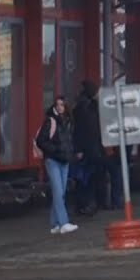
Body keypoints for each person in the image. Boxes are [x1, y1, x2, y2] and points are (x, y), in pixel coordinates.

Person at [35, 95, 79, 235]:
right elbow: (41, 141)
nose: (60, 107)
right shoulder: (50, 121)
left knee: (60, 192)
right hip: (53, 160)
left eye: (62, 105)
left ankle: (55, 224)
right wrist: (55, 151)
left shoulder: (68, 122)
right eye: (58, 104)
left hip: (63, 160)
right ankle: (64, 223)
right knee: (59, 191)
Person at [72, 80, 104, 216]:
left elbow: (78, 130)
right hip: (90, 147)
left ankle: (83, 204)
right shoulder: (89, 108)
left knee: (84, 178)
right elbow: (86, 130)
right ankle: (88, 204)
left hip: (86, 148)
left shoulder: (81, 107)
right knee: (90, 177)